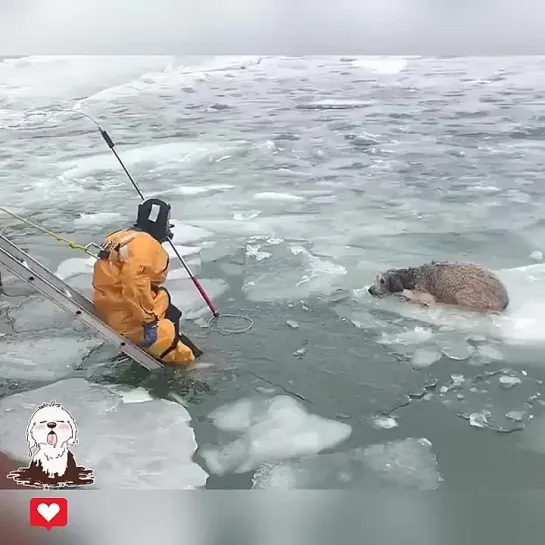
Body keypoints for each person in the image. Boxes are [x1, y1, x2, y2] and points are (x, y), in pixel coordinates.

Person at [92, 198, 203, 365]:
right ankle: (185, 366)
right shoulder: (145, 244)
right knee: (184, 353)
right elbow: (134, 283)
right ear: (158, 224)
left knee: (170, 310)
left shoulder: (120, 236)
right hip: (129, 315)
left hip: (111, 306)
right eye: (165, 223)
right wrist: (149, 322)